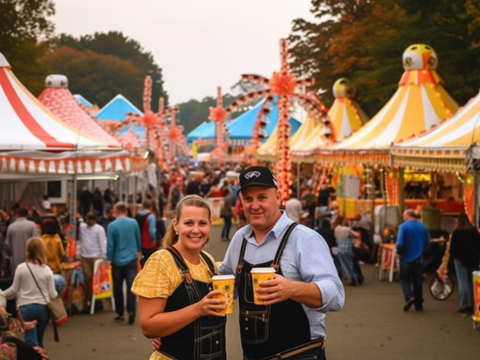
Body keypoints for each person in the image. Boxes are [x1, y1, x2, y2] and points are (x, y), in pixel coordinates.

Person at [220, 166, 344, 360]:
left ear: (278, 198)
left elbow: (336, 296)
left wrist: (292, 289)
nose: (255, 205)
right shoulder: (240, 238)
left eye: (262, 197)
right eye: (248, 199)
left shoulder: (304, 238)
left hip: (299, 356)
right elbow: (227, 286)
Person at [133, 195, 227, 360]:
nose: (196, 230)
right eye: (189, 223)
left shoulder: (208, 260)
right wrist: (198, 309)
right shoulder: (161, 261)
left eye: (202, 223)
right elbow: (148, 326)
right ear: (176, 225)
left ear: (210, 226)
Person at [0, 237, 57, 348]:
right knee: (40, 340)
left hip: (26, 307)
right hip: (43, 308)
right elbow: (52, 294)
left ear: (28, 250)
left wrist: (2, 295)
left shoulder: (21, 268)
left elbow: (13, 290)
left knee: (31, 341)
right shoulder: (47, 270)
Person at [107, 202, 141, 324]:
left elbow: (110, 245)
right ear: (125, 211)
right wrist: (139, 252)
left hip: (117, 260)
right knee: (131, 286)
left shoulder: (112, 226)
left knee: (117, 287)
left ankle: (120, 313)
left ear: (115, 211)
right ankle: (131, 311)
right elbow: (138, 239)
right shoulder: (134, 222)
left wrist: (108, 258)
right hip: (131, 258)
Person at [396, 209, 430, 312]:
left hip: (406, 258)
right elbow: (428, 243)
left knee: (404, 278)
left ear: (406, 216)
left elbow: (400, 242)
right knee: (417, 281)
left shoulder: (403, 227)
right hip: (419, 258)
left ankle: (409, 296)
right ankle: (419, 304)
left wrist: (399, 252)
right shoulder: (423, 226)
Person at [450, 213, 480, 314]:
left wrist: (453, 258)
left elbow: (452, 249)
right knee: (472, 282)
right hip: (473, 260)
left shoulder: (457, 233)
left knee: (463, 282)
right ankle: (472, 304)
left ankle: (464, 305)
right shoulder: (474, 231)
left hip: (460, 260)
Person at [79, 212, 107, 309]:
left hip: (97, 256)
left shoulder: (99, 229)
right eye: (88, 219)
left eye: (91, 220)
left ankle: (98, 300)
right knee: (88, 279)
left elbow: (102, 242)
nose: (89, 222)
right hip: (85, 256)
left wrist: (103, 255)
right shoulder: (82, 227)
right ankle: (90, 300)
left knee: (96, 280)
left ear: (95, 220)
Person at [5, 207, 38, 274]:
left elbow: (7, 245)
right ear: (26, 215)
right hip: (30, 260)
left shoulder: (11, 227)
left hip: (15, 261)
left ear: (16, 215)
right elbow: (36, 243)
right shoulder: (32, 225)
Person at [332, 215, 362, 285]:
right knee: (349, 265)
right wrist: (349, 225)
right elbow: (357, 235)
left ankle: (347, 278)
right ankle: (352, 278)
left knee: (342, 266)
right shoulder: (347, 229)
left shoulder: (336, 229)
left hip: (340, 250)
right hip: (347, 250)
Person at [40, 219, 66, 294]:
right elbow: (62, 253)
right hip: (56, 268)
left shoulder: (42, 239)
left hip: (44, 268)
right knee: (56, 289)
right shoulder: (57, 238)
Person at [135, 200, 157, 266]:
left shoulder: (137, 216)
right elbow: (152, 231)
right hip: (148, 244)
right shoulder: (151, 216)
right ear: (151, 206)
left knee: (142, 264)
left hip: (139, 243)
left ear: (143, 206)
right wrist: (153, 241)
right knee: (150, 264)